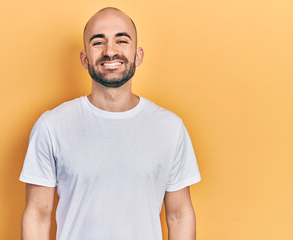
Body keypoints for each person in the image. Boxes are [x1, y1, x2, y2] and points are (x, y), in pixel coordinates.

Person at [20, 7, 201, 240]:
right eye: (98, 42)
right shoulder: (52, 126)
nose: (110, 51)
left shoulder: (170, 128)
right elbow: (37, 214)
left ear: (138, 55)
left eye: (122, 40)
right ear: (85, 59)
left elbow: (179, 215)